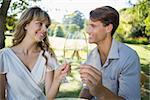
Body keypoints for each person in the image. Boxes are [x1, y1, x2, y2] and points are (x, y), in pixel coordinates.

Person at [0, 6, 70, 100]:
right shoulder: (4, 56)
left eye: (46, 26)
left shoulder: (47, 56)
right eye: (40, 24)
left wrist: (57, 79)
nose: (45, 30)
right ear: (26, 25)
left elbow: (49, 98)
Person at [79, 6, 141, 100]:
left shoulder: (129, 57)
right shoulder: (92, 55)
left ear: (108, 28)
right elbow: (88, 88)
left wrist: (99, 90)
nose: (87, 31)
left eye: (93, 26)